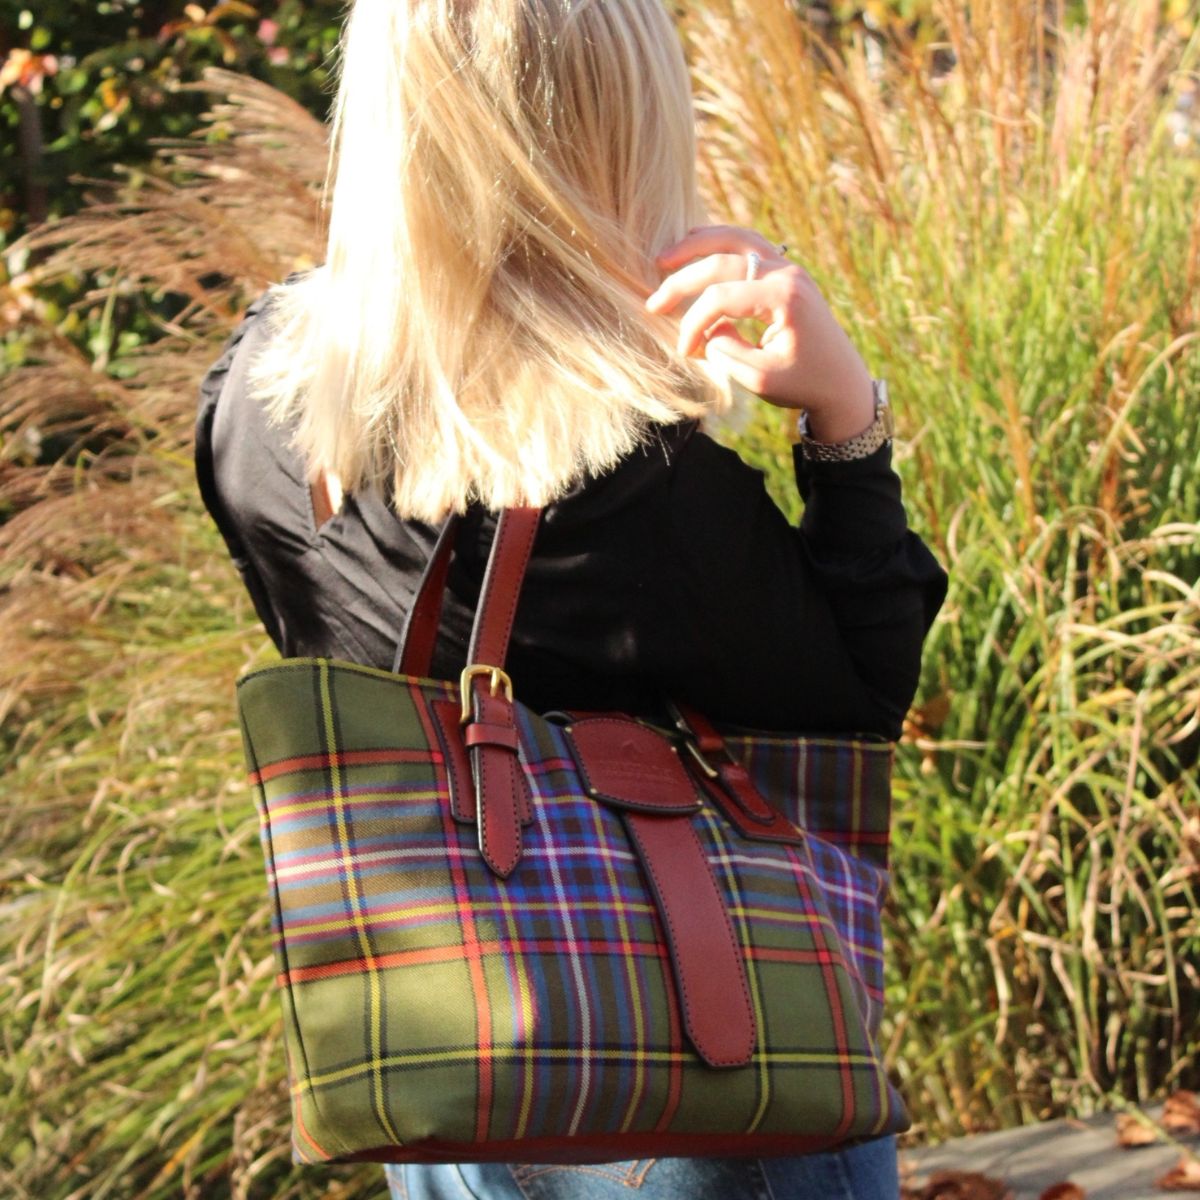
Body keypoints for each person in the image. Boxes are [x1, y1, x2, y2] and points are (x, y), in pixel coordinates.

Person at [195, 0, 947, 1196]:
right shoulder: (633, 480)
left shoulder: (255, 397)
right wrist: (847, 416)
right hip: (699, 1101)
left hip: (441, 1071)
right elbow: (859, 697)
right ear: (622, 119)